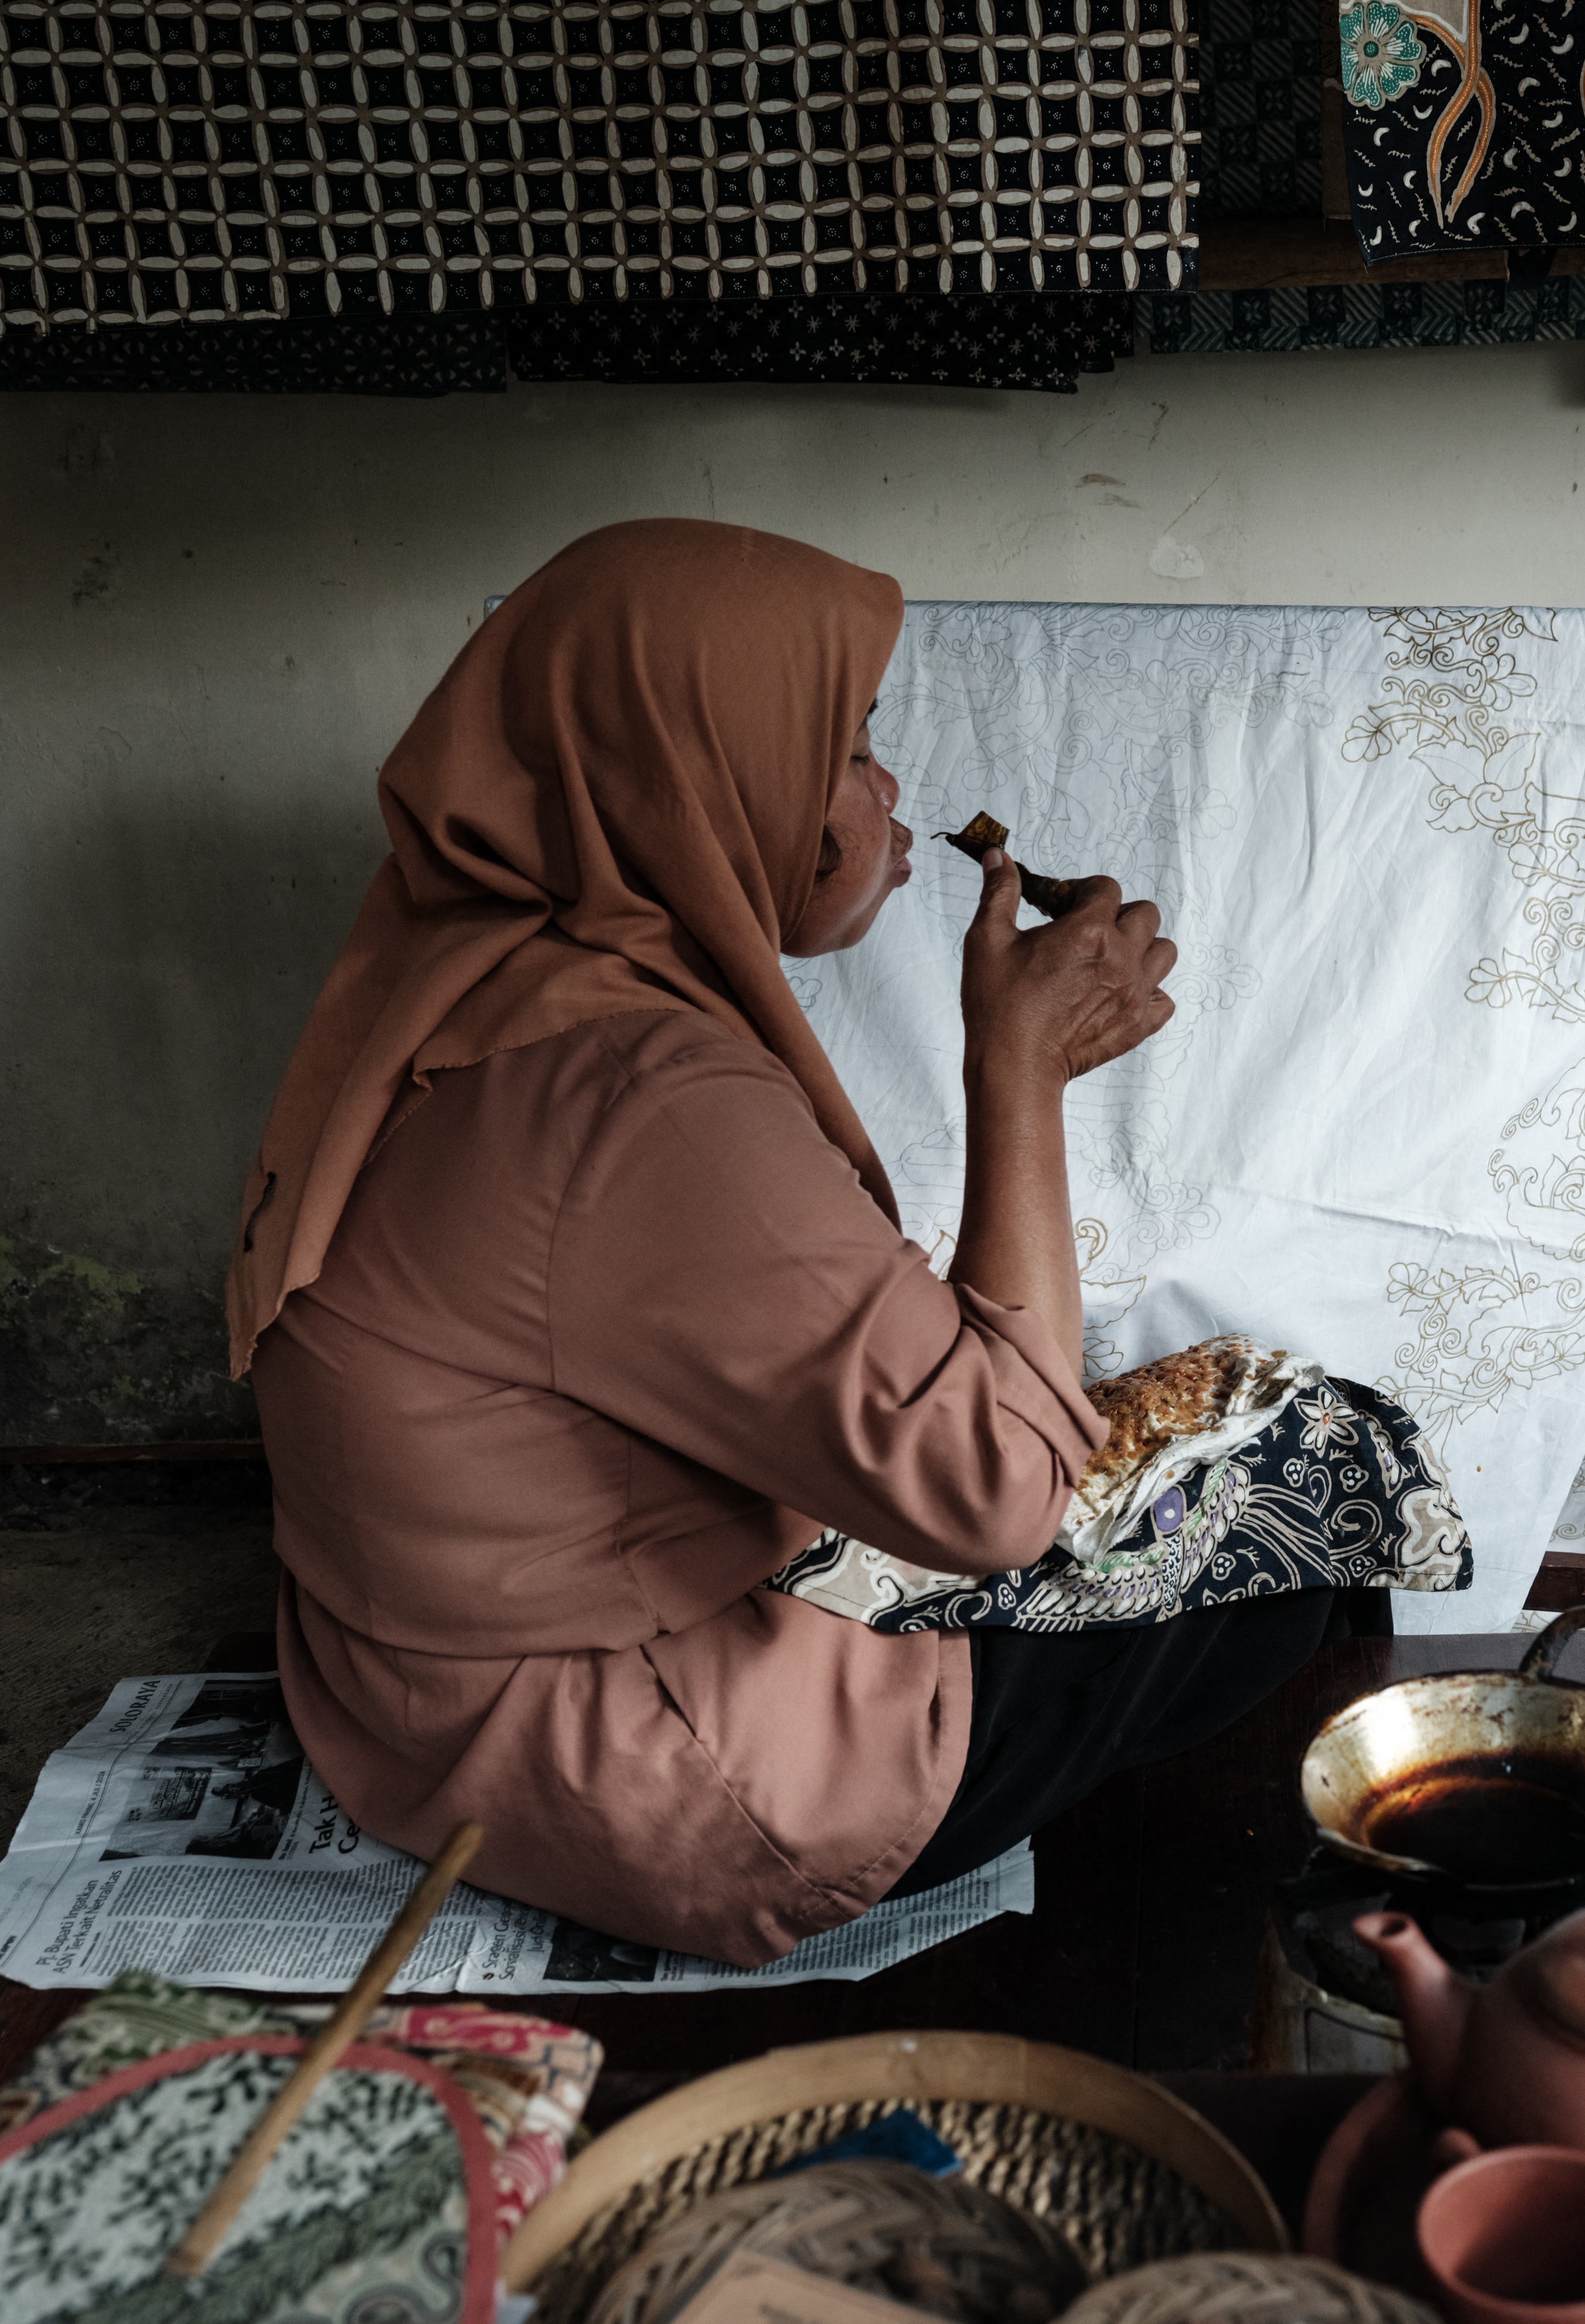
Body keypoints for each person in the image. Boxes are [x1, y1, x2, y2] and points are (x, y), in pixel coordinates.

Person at [225, 520, 1391, 1965]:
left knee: (1161, 1414)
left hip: (401, 1706)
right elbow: (993, 1494)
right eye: (842, 745)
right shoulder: (644, 1097)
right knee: (1327, 1466)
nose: (887, 790)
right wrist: (1014, 1074)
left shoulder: (464, 978)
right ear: (697, 770)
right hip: (651, 1769)